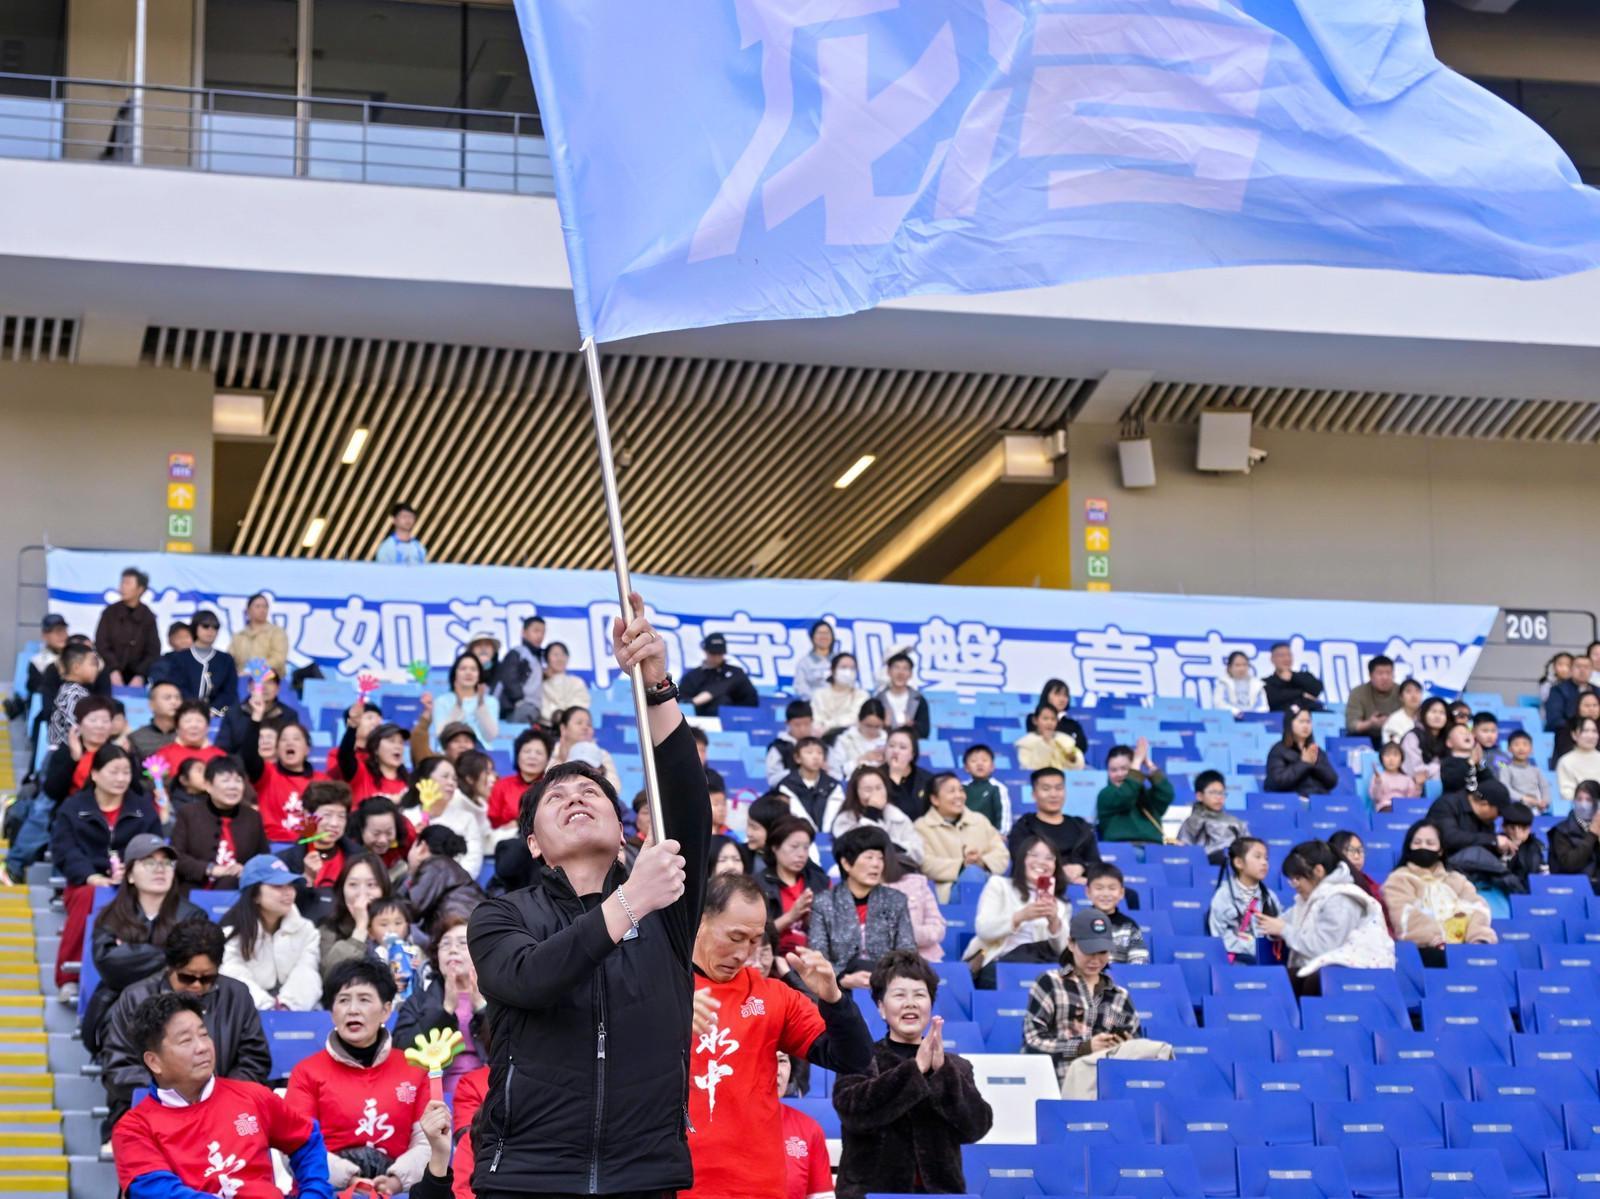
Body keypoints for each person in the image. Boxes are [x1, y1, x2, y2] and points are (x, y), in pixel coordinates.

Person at [466, 593, 711, 1199]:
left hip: (645, 1175)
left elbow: (686, 801)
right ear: (534, 844)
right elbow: (529, 979)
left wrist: (656, 686)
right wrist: (629, 903)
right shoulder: (502, 915)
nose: (575, 796)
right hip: (527, 1176)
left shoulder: (667, 903)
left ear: (623, 829)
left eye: (591, 792)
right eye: (555, 797)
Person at [684, 872, 873, 1199]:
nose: (744, 953)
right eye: (735, 937)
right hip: (681, 1182)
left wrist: (834, 999)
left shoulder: (772, 996)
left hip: (759, 1184)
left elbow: (853, 1058)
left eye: (754, 941)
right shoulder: (661, 992)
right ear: (701, 922)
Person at [111, 991, 334, 1199]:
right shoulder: (133, 1129)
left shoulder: (253, 1096)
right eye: (186, 1040)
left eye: (204, 1034)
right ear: (154, 1062)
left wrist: (313, 1193)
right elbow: (162, 1193)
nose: (202, 1047)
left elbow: (306, 1140)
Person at [832, 951, 994, 1199]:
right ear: (881, 1007)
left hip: (940, 1194)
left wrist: (943, 1073)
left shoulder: (955, 1066)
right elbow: (854, 1114)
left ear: (930, 1004)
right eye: (899, 995)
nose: (910, 1003)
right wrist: (914, 1070)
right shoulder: (860, 1058)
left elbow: (976, 1128)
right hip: (871, 1194)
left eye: (919, 994)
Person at [100, 917, 272, 1139]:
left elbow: (255, 1060)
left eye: (208, 978)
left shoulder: (236, 995)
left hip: (224, 1111)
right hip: (154, 1114)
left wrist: (216, 1093)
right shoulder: (136, 998)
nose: (197, 985)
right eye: (187, 977)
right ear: (170, 967)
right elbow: (118, 1071)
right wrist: (180, 1092)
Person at [287, 959, 432, 1193]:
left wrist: (395, 1181)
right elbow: (294, 1143)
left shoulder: (415, 1068)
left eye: (364, 999)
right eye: (343, 1000)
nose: (353, 1009)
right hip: (328, 1190)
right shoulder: (306, 1072)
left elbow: (429, 1143)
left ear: (386, 1010)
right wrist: (350, 1179)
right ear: (332, 1012)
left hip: (398, 1191)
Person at [51, 743, 162, 999]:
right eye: (114, 772)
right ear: (95, 774)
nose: (121, 778)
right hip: (87, 882)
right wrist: (91, 876)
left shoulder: (142, 808)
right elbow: (65, 849)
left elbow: (153, 845)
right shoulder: (73, 807)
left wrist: (133, 873)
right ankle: (69, 977)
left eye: (126, 772)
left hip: (134, 882)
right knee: (88, 896)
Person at [85, 834, 204, 1052]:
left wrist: (131, 953)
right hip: (119, 1007)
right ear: (130, 875)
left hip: (176, 1007)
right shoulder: (110, 917)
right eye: (149, 862)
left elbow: (191, 970)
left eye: (166, 863)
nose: (160, 869)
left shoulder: (193, 917)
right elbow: (109, 967)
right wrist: (169, 955)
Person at [1023, 908, 1144, 1085]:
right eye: (1088, 951)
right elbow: (1032, 1041)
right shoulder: (1050, 983)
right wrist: (1084, 1047)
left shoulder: (1119, 997)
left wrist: (1124, 1046)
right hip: (1058, 1085)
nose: (1095, 959)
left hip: (1106, 1086)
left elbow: (1136, 1048)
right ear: (1071, 944)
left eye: (1102, 952)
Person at [1255, 841, 1394, 992]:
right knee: (1276, 979)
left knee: (1311, 981)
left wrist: (1283, 930)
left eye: (1298, 878)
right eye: (1291, 879)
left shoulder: (1341, 898)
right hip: (1329, 966)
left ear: (1318, 871)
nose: (1294, 884)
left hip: (1361, 969)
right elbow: (1283, 922)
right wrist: (1272, 928)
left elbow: (1324, 947)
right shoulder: (1308, 900)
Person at [807, 825, 918, 989]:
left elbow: (907, 953)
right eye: (869, 857)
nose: (876, 864)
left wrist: (882, 979)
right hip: (838, 988)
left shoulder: (896, 900)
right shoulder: (824, 903)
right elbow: (819, 955)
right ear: (846, 863)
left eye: (880, 858)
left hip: (886, 986)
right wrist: (842, 979)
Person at [220, 855, 323, 1010]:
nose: (288, 892)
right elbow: (234, 975)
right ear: (254, 895)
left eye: (290, 885)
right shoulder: (230, 934)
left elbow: (308, 972)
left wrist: (286, 1006)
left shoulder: (307, 929)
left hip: (297, 1009)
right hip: (252, 1010)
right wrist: (268, 1007)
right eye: (278, 886)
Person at [1382, 821, 1496, 961]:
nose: (1423, 847)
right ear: (1409, 847)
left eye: (1430, 843)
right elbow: (1404, 915)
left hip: (1465, 945)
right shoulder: (1398, 879)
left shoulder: (1456, 879)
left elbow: (1479, 906)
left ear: (1440, 850)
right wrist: (1435, 939)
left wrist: (1477, 938)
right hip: (1425, 949)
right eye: (1417, 842)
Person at [964, 836, 1072, 979]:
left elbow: (1064, 951)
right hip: (1000, 963)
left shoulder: (1061, 904)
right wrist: (1019, 917)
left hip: (1043, 967)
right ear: (1022, 859)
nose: (1041, 862)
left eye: (1049, 858)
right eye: (1034, 855)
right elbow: (983, 930)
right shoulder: (999, 885)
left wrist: (1054, 922)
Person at [173, 755, 269, 890]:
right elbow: (176, 856)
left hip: (240, 888)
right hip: (195, 889)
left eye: (238, 781)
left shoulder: (252, 817)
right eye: (225, 780)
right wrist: (210, 869)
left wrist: (246, 869)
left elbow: (263, 857)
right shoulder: (188, 814)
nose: (233, 787)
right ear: (208, 785)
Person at [913, 773, 1009, 901]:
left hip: (987, 885)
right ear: (935, 799)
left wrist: (981, 862)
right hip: (948, 892)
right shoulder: (922, 827)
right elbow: (924, 864)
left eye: (961, 790)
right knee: (972, 874)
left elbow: (1002, 855)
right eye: (951, 791)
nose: (958, 795)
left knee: (977, 875)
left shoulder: (980, 821)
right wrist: (962, 865)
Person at [1007, 767, 1100, 882]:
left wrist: (1082, 868)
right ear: (1034, 795)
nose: (1053, 794)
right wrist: (1062, 876)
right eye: (1046, 789)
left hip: (1079, 886)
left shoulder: (1081, 827)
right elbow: (1022, 864)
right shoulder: (1024, 827)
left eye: (1059, 788)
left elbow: (1096, 865)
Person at [756, 815, 831, 955]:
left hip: (814, 957)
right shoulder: (757, 884)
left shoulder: (822, 882)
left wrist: (813, 921)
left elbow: (835, 933)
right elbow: (755, 936)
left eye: (806, 848)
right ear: (775, 847)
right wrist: (791, 916)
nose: (801, 854)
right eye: (794, 847)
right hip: (772, 959)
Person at [827, 764, 926, 867]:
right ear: (856, 793)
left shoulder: (898, 816)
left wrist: (895, 848)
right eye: (868, 790)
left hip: (899, 872)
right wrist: (871, 813)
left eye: (879, 788)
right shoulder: (845, 820)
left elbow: (918, 854)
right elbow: (858, 848)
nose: (875, 794)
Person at [319, 850, 394, 980]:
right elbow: (331, 975)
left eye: (371, 885)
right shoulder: (329, 930)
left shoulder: (398, 922)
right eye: (353, 884)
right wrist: (360, 928)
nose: (362, 893)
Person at [1427, 759, 1514, 870]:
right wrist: (1493, 840)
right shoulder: (1446, 805)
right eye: (1499, 812)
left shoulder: (1487, 820)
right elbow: (1449, 838)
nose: (1498, 817)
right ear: (1484, 804)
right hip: (1442, 867)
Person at [399, 825, 487, 932]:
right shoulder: (447, 867)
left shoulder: (436, 866)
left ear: (422, 847)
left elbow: (408, 910)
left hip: (463, 929)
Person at [1208, 837, 1280, 964]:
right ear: (1239, 863)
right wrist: (1254, 946)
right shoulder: (1224, 896)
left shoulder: (1270, 897)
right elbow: (1219, 937)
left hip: (1266, 962)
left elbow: (1278, 931)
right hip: (1237, 963)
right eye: (1257, 857)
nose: (1264, 863)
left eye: (1266, 858)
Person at [150, 609, 239, 712]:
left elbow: (229, 692)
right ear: (195, 627)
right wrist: (194, 707)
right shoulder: (178, 658)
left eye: (215, 627)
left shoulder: (226, 660)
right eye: (205, 626)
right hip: (184, 711)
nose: (210, 630)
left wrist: (212, 710)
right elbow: (177, 687)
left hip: (217, 715)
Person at [279, 781, 355, 896]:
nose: (334, 823)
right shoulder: (284, 861)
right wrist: (307, 878)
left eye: (341, 816)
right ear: (307, 815)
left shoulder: (359, 857)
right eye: (327, 815)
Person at [776, 1051, 833, 1199]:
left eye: (782, 1061)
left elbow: (822, 1196)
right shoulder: (721, 1125)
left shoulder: (808, 1129)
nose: (776, 1071)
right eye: (765, 1060)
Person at [1096, 738, 1175, 842]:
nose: (1119, 774)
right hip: (1121, 848)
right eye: (1113, 770)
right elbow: (1126, 795)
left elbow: (1167, 794)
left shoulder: (1145, 796)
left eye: (1124, 768)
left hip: (1153, 847)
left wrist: (1148, 763)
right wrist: (1137, 760)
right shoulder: (1105, 795)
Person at [95, 566, 161, 688]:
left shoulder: (148, 616)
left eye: (128, 583)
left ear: (140, 589)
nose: (122, 587)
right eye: (122, 583)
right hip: (110, 674)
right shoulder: (110, 612)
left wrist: (140, 675)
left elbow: (153, 650)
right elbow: (101, 643)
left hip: (138, 679)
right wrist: (113, 669)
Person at [879, 847, 946, 963]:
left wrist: (910, 934)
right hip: (880, 962)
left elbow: (937, 927)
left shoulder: (916, 884)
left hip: (925, 959)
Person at [436, 749, 494, 879]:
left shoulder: (478, 804)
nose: (493, 779)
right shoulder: (454, 803)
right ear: (470, 778)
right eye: (487, 773)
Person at [428, 652, 501, 750]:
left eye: (473, 669)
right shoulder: (442, 701)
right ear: (455, 674)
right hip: (450, 752)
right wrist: (458, 705)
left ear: (479, 675)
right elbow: (441, 734)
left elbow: (490, 736)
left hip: (480, 753)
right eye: (463, 669)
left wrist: (481, 705)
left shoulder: (490, 701)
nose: (468, 673)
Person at [338, 709, 412, 804]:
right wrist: (352, 728)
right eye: (391, 741)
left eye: (401, 742)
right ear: (376, 748)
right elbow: (345, 756)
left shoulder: (409, 782)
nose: (398, 746)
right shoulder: (362, 774)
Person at [680, 631, 760, 716]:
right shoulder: (693, 676)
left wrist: (705, 696)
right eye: (713, 653)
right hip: (703, 719)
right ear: (705, 651)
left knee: (723, 700)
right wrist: (693, 702)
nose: (717, 656)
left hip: (735, 717)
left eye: (720, 653)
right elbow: (682, 700)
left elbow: (751, 697)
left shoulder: (736, 673)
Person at [1177, 770, 1249, 864]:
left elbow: (1247, 849)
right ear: (1199, 796)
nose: (1219, 797)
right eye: (1213, 793)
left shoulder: (1236, 823)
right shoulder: (1192, 822)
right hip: (1204, 865)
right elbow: (1185, 852)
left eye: (1222, 793)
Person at [1266, 705, 1340, 795]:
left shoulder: (1315, 750)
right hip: (1293, 799)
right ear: (1289, 724)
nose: (1305, 726)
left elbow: (1332, 781)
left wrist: (1315, 765)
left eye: (1308, 722)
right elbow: (1277, 781)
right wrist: (1303, 763)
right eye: (1301, 721)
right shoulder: (1278, 750)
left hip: (1318, 798)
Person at [1084, 863, 1149, 964]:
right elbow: (1069, 959)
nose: (1105, 894)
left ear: (1121, 893)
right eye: (1099, 888)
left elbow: (1140, 961)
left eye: (1112, 888)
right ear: (1088, 892)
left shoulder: (1129, 926)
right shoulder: (1079, 923)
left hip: (1122, 974)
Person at [489, 728, 550, 836]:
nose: (532, 757)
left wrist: (518, 823)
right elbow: (491, 821)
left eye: (539, 753)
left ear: (547, 760)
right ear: (517, 756)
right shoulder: (501, 785)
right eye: (527, 751)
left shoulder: (551, 787)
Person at [548, 706, 623, 791]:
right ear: (563, 728)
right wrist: (561, 760)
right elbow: (547, 786)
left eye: (589, 725)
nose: (585, 727)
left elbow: (614, 788)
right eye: (579, 723)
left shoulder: (602, 754)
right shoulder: (550, 750)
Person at [777, 736, 843, 829]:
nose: (815, 757)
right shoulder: (787, 785)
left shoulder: (833, 785)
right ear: (797, 758)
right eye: (809, 752)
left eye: (820, 753)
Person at [48, 641, 101, 750]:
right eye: (93, 664)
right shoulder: (72, 694)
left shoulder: (74, 690)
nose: (96, 668)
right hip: (67, 754)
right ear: (76, 668)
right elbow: (77, 730)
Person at [1550, 781, 1600, 893]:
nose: (1583, 804)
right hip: (1574, 889)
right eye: (1579, 799)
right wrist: (1592, 835)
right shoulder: (1561, 831)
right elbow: (1569, 864)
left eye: (1588, 800)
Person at [496, 615, 547, 722]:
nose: (540, 636)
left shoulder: (539, 657)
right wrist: (518, 700)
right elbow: (509, 678)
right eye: (536, 631)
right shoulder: (518, 653)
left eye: (543, 632)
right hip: (519, 707)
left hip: (535, 707)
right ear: (523, 633)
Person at [226, 592, 289, 678]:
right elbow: (229, 659)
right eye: (258, 606)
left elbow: (278, 658)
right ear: (248, 610)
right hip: (242, 679)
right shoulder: (239, 636)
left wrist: (253, 671)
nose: (262, 610)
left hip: (270, 681)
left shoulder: (277, 632)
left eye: (265, 607)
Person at [1345, 654, 1402, 746]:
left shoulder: (1402, 692)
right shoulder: (1358, 692)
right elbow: (1352, 725)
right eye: (1380, 673)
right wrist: (1370, 723)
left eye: (1389, 673)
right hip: (1367, 737)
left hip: (1396, 736)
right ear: (1370, 675)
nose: (1385, 678)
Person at [1014, 703, 1086, 772]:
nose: (1049, 723)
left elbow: (1078, 767)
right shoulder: (1026, 743)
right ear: (1035, 720)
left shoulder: (1066, 740)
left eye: (1053, 719)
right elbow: (1030, 768)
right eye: (1045, 719)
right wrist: (1046, 743)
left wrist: (1073, 760)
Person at [874, 651, 931, 739]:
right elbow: (871, 729)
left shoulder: (919, 700)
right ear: (888, 671)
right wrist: (885, 725)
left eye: (905, 668)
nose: (900, 673)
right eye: (896, 667)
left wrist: (911, 725)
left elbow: (925, 732)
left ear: (910, 674)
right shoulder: (878, 700)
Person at [828, 698, 889, 778]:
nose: (872, 730)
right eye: (868, 726)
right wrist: (862, 759)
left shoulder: (889, 740)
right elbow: (836, 770)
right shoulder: (845, 740)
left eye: (877, 726)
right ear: (859, 721)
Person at [882, 728, 934, 821]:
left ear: (912, 754)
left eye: (902, 747)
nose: (895, 751)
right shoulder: (873, 776)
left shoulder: (927, 779)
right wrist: (894, 777)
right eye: (891, 746)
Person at [812, 653, 872, 734]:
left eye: (852, 668)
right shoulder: (819, 695)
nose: (848, 672)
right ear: (833, 671)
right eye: (843, 667)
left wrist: (827, 725)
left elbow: (854, 718)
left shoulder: (862, 695)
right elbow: (816, 720)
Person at [1496, 729, 1550, 813]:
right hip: (1516, 808)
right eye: (1516, 744)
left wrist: (1545, 801)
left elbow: (1544, 787)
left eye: (1525, 744)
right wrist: (1524, 798)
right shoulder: (1506, 769)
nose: (1521, 748)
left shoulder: (1536, 770)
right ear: (1509, 749)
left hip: (1537, 808)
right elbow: (1506, 789)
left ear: (1531, 749)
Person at [1399, 696, 1450, 784]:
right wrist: (1441, 768)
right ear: (1423, 714)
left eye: (1442, 713)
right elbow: (1414, 769)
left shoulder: (1448, 737)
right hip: (1414, 785)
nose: (1437, 716)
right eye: (1433, 711)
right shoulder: (1412, 737)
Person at [1263, 642, 1325, 712]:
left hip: (1310, 715)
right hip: (1281, 716)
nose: (1286, 659)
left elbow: (1316, 689)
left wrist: (1293, 676)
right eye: (1281, 655)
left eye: (1289, 655)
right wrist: (1301, 694)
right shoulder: (1266, 682)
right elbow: (1273, 698)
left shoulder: (1304, 676)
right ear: (1272, 659)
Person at [962, 743, 1011, 831]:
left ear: (992, 767)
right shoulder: (961, 788)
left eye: (984, 760)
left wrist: (1000, 834)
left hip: (990, 836)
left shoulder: (998, 788)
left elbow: (1003, 817)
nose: (979, 764)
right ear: (966, 768)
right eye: (974, 761)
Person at [766, 700, 816, 785]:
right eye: (797, 725)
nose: (802, 729)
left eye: (806, 724)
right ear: (787, 723)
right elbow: (772, 780)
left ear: (812, 721)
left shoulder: (819, 745)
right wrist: (798, 773)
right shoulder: (779, 747)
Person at [1545, 653, 1598, 734]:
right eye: (1578, 666)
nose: (1582, 670)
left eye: (1586, 667)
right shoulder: (1558, 690)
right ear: (1571, 670)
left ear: (1592, 670)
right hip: (1566, 733)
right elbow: (1554, 719)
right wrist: (1579, 728)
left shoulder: (1597, 691)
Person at [537, 640, 590, 721]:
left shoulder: (577, 683)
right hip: (547, 725)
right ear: (547, 659)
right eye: (555, 655)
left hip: (572, 726)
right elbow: (542, 708)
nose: (560, 659)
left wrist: (567, 718)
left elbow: (581, 704)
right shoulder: (540, 685)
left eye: (563, 655)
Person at [1500, 802, 1547, 891]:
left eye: (1523, 828)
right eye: (1512, 828)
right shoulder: (1496, 845)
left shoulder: (1536, 847)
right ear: (1503, 827)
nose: (1517, 833)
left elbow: (1540, 878)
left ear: (1529, 829)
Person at [1556, 715, 1600, 802]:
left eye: (1594, 731)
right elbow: (1566, 793)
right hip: (1578, 806)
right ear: (1574, 735)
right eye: (1585, 731)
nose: (1590, 736)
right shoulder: (1566, 761)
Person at [792, 620, 836, 700]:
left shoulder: (839, 661)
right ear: (812, 637)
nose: (823, 636)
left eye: (827, 633)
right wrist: (817, 699)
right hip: (813, 704)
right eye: (820, 633)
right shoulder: (804, 663)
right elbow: (800, 687)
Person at [1371, 741, 1422, 811]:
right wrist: (1378, 783)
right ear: (1381, 759)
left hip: (1403, 808)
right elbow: (1376, 798)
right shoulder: (1378, 777)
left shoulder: (1407, 779)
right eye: (1387, 755)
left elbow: (1412, 800)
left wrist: (1418, 786)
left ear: (1401, 760)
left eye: (1395, 755)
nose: (1391, 759)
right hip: (1385, 807)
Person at [1214, 650, 1266, 717]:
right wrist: (1236, 712)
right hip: (1230, 719)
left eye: (1244, 665)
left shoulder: (1257, 684)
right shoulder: (1223, 683)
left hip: (1253, 719)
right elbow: (1219, 703)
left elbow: (1264, 706)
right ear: (1229, 667)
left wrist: (1252, 715)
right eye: (1237, 665)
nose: (1242, 668)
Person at [377, 500, 428, 565]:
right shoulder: (387, 547)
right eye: (404, 516)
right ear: (394, 520)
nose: (408, 520)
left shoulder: (419, 547)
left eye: (410, 516)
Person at [1382, 678, 1425, 746]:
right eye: (1408, 691)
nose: (1414, 696)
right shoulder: (1394, 720)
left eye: (1417, 691)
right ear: (1401, 697)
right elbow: (1391, 747)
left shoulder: (1428, 717)